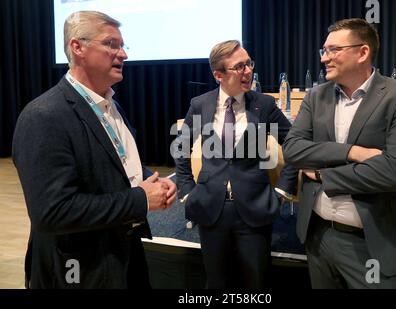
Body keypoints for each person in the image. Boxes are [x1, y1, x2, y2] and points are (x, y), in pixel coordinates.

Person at [12, 11, 176, 288]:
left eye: (123, 45)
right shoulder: (43, 116)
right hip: (79, 268)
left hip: (123, 254)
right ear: (78, 48)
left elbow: (115, 163)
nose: (122, 54)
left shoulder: (109, 105)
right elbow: (52, 212)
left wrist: (151, 180)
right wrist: (141, 199)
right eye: (111, 44)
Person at [283, 18, 396, 289]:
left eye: (333, 50)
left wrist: (321, 174)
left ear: (363, 52)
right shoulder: (316, 97)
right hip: (318, 236)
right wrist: (352, 152)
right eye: (323, 51)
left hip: (373, 242)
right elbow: (293, 149)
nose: (324, 58)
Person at [174, 40, 298, 288]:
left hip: (254, 206)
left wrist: (283, 189)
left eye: (249, 63)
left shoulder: (264, 105)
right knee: (216, 280)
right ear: (218, 75)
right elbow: (181, 148)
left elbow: (296, 145)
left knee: (256, 281)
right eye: (239, 66)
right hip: (210, 207)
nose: (248, 71)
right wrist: (186, 191)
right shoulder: (200, 104)